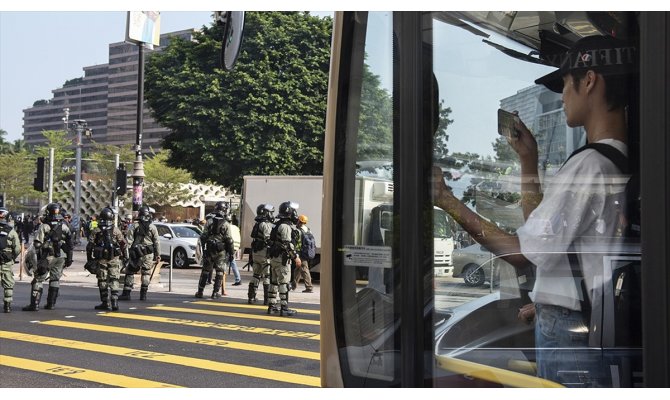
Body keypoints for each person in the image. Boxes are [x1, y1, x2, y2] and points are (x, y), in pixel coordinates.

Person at [432, 35, 638, 387]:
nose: (563, 97)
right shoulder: (619, 159)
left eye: (565, 85)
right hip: (587, 319)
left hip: (572, 333)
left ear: (589, 80)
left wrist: (445, 198)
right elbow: (545, 239)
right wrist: (528, 160)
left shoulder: (589, 165)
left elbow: (523, 254)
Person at [22, 203, 74, 311]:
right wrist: (69, 258)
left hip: (47, 256)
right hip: (61, 257)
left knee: (38, 279)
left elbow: (37, 244)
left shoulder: (44, 227)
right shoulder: (64, 226)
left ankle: (34, 305)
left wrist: (36, 260)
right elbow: (70, 244)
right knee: (55, 279)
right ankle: (51, 304)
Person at [87, 207, 127, 311]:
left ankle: (105, 302)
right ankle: (115, 302)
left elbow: (89, 246)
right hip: (114, 257)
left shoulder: (96, 230)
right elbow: (123, 244)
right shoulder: (115, 230)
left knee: (102, 280)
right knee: (114, 279)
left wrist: (89, 259)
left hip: (101, 259)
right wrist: (126, 257)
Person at [267, 201, 301, 316]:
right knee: (284, 283)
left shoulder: (277, 224)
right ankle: (284, 307)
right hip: (282, 259)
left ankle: (271, 306)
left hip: (274, 258)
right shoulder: (286, 226)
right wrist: (295, 257)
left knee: (274, 282)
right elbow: (287, 244)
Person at [119, 205, 160, 301]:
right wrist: (158, 255)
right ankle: (143, 294)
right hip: (148, 254)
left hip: (135, 253)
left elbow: (128, 241)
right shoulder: (152, 227)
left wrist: (126, 254)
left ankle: (126, 293)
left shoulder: (134, 226)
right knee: (146, 273)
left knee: (130, 272)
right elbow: (157, 242)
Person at [194, 201, 234, 299]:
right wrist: (231, 253)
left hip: (210, 249)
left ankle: (200, 291)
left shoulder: (209, 221)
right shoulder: (226, 224)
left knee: (205, 271)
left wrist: (203, 249)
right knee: (220, 271)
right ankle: (215, 292)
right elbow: (229, 240)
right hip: (221, 251)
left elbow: (203, 236)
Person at [247, 204, 274, 305]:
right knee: (266, 276)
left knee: (256, 275)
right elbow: (268, 239)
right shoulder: (265, 225)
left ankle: (251, 297)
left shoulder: (257, 223)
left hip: (256, 252)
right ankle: (267, 299)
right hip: (264, 253)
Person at [0, 208, 22, 313]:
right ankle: (7, 306)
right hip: (6, 261)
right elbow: (17, 248)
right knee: (8, 284)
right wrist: (12, 257)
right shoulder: (11, 231)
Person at [291, 214, 314, 293]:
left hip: (300, 252)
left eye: (297, 220)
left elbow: (294, 242)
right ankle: (293, 285)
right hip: (306, 251)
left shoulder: (297, 231)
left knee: (304, 268)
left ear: (299, 221)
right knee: (298, 269)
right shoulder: (308, 230)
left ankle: (309, 287)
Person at [228, 213, 242, 287]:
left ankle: (238, 279)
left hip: (230, 246)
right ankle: (238, 279)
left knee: (231, 262)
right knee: (231, 262)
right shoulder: (236, 227)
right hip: (236, 246)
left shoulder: (228, 227)